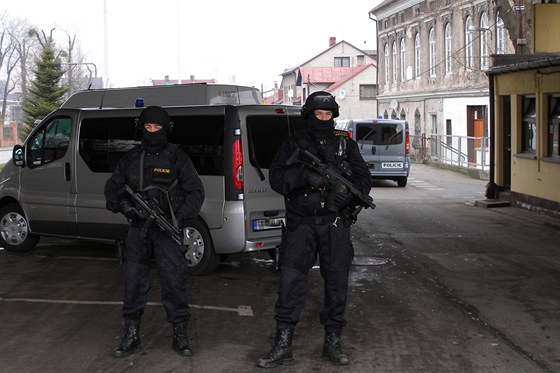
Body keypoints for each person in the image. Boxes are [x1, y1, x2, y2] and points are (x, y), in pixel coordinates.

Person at [257, 91, 372, 368]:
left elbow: (363, 179)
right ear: (309, 115)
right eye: (319, 114)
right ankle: (283, 343)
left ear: (334, 116)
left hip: (334, 225)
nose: (323, 119)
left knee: (337, 285)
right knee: (290, 285)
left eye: (328, 114)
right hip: (301, 226)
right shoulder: (294, 143)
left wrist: (349, 196)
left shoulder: (345, 145)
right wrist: (305, 176)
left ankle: (332, 342)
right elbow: (277, 177)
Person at [104, 106, 204, 358]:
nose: (152, 132)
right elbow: (113, 190)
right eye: (147, 128)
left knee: (174, 281)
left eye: (157, 128)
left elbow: (196, 192)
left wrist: (179, 216)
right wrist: (127, 208)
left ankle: (180, 333)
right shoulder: (130, 158)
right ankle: (131, 334)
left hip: (166, 229)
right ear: (141, 129)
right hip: (138, 230)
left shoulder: (177, 158)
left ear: (166, 129)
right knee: (133, 283)